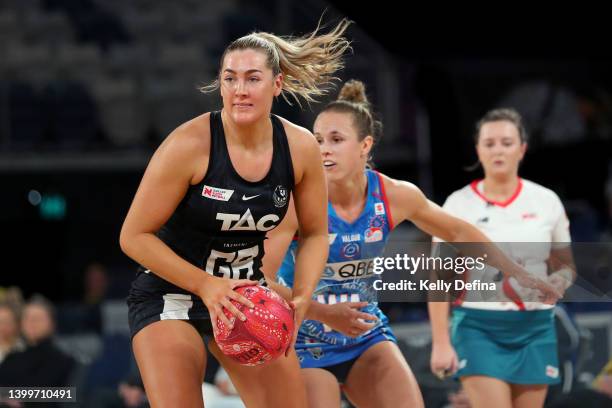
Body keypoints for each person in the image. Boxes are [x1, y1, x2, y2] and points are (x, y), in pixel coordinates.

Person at [262, 82, 560, 408]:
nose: (323, 149)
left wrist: (518, 273)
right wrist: (324, 313)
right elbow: (260, 280)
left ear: (365, 145)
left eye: (336, 140)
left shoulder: (393, 195)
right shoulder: (294, 202)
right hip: (302, 341)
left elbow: (459, 233)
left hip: (365, 337)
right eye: (317, 140)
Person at [119, 19, 352, 407]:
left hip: (247, 299)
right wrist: (207, 286)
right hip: (172, 295)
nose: (239, 90)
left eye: (252, 78)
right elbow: (133, 236)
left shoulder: (299, 147)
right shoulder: (189, 144)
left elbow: (312, 233)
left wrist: (301, 299)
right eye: (230, 79)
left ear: (276, 85)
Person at [429, 108, 576, 408]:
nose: (498, 150)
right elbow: (438, 279)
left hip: (536, 326)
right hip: (478, 326)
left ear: (522, 149)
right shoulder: (457, 204)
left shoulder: (547, 201)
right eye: (490, 143)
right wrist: (441, 343)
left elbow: (566, 265)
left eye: (506, 143)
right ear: (478, 150)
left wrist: (558, 282)